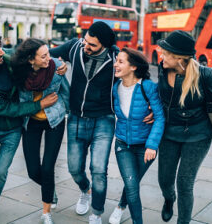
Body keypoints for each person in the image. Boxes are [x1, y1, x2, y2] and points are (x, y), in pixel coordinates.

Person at [49, 21, 152, 224]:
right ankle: (85, 189)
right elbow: (45, 53)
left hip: (104, 120)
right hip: (77, 118)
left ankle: (96, 212)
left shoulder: (115, 57)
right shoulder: (75, 46)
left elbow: (140, 74)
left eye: (92, 45)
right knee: (74, 168)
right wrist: (57, 64)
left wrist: (153, 106)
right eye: (86, 41)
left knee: (98, 169)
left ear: (104, 45)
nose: (86, 46)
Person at [0, 29, 63, 224]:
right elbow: (7, 108)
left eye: (0, 47)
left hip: (14, 130)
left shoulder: (8, 59)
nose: (2, 53)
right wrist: (39, 105)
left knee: (0, 173)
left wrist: (60, 65)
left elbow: (34, 55)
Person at [156, 30, 212, 224]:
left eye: (165, 54)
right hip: (169, 133)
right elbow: (161, 98)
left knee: (184, 183)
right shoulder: (163, 68)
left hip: (198, 135)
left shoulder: (205, 75)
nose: (161, 57)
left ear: (179, 59)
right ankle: (169, 199)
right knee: (164, 180)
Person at [11, 38, 69, 224]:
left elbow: (66, 93)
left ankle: (46, 212)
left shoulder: (57, 67)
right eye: (43, 56)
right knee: (33, 171)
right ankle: (50, 191)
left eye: (48, 54)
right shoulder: (19, 73)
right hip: (31, 121)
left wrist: (67, 112)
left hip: (54, 121)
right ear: (30, 60)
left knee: (47, 167)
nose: (48, 59)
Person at [108, 48, 165, 224]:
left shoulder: (147, 87)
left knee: (132, 182)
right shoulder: (115, 88)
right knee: (132, 185)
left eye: (120, 62)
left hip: (145, 147)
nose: (115, 64)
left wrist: (152, 145)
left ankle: (120, 205)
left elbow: (160, 117)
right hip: (122, 144)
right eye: (116, 61)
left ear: (133, 67)